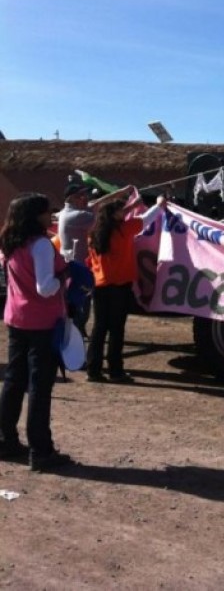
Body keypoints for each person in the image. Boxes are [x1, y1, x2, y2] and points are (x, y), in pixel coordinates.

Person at [0, 193, 73, 472]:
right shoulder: (41, 244)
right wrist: (64, 275)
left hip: (16, 317)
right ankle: (41, 451)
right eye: (46, 211)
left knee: (13, 382)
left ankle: (6, 441)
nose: (50, 215)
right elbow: (45, 288)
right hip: (41, 322)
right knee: (39, 388)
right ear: (35, 216)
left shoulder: (9, 242)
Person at [86, 190, 166, 384]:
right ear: (115, 215)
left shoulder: (94, 234)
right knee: (116, 330)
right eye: (122, 212)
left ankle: (93, 370)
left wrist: (131, 204)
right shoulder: (125, 229)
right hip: (120, 287)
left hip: (100, 286)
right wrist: (159, 203)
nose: (125, 214)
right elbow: (147, 218)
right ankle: (115, 370)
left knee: (99, 330)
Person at [57, 182, 131, 338]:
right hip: (77, 268)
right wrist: (131, 204)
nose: (85, 198)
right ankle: (75, 335)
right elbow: (106, 215)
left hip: (76, 264)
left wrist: (120, 192)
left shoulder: (71, 212)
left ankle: (77, 331)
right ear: (72, 198)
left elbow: (98, 203)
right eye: (81, 195)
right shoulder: (77, 215)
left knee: (81, 303)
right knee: (80, 305)